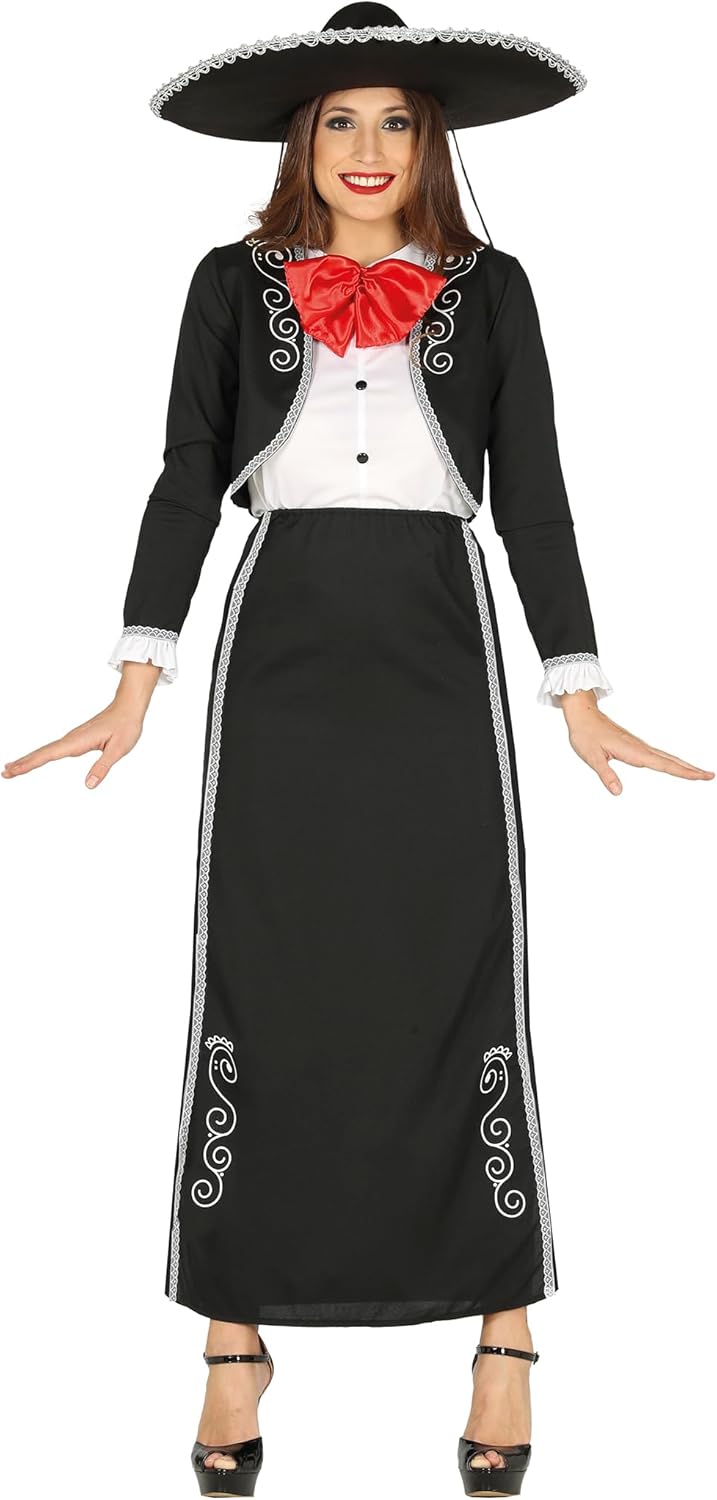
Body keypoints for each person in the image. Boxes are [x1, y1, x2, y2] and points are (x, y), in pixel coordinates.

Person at [3, 6, 713, 1496]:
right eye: (341, 120)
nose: (369, 149)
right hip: (282, 642)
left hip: (438, 640)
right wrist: (136, 677)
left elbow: (537, 491)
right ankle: (233, 1331)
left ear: (431, 140)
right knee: (263, 964)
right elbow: (186, 477)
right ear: (301, 139)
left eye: (396, 121)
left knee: (461, 959)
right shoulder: (230, 281)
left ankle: (503, 1326)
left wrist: (576, 689)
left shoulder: (495, 288)